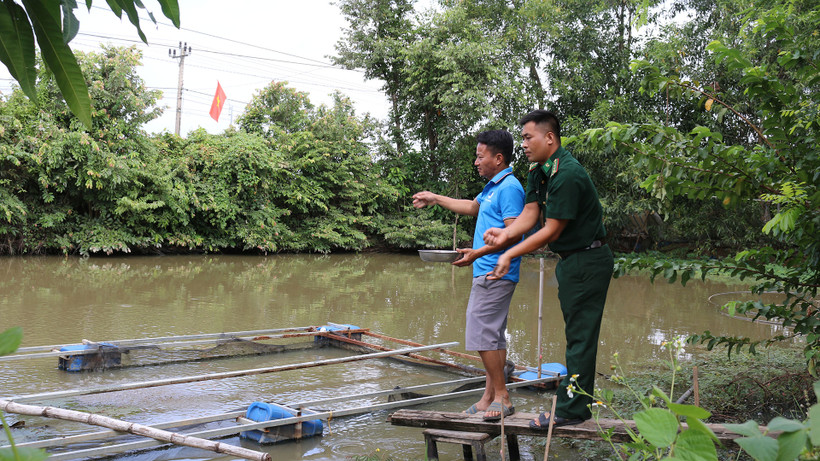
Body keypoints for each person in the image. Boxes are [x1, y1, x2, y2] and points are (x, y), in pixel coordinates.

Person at [484, 109, 614, 428]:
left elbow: (552, 230)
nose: (524, 144)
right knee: (576, 335)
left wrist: (509, 251)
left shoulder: (567, 173)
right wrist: (507, 233)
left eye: (528, 137)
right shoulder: (539, 171)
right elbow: (530, 215)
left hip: (588, 259)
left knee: (580, 337)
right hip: (571, 261)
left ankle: (572, 410)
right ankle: (575, 403)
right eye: (523, 138)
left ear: (550, 138)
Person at [412, 129, 525, 422]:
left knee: (482, 335)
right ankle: (489, 396)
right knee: (492, 336)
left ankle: (503, 397)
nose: (476, 162)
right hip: (486, 269)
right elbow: (472, 207)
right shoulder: (491, 187)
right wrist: (435, 197)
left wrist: (478, 253)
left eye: (480, 156)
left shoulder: (509, 187)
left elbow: (514, 234)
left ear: (498, 159)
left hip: (495, 271)